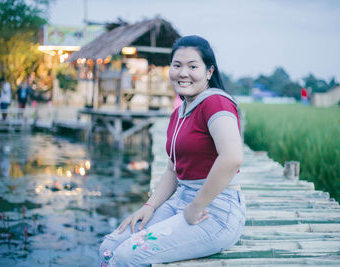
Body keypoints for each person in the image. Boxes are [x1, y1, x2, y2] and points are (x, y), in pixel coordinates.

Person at [99, 35, 246, 266]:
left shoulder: (216, 103)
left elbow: (232, 157)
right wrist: (149, 207)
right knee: (109, 247)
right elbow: (172, 170)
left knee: (127, 256)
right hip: (180, 201)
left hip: (215, 210)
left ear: (209, 72)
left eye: (193, 66)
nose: (183, 73)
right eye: (177, 65)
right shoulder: (180, 113)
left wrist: (196, 206)